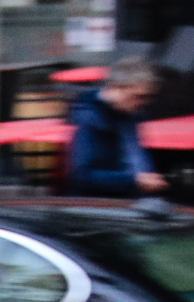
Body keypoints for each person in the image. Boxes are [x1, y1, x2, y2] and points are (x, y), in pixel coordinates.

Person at [67, 57, 166, 199]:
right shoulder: (88, 119)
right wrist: (134, 181)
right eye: (138, 97)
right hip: (104, 210)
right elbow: (82, 176)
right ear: (115, 87)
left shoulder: (130, 116)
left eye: (148, 97)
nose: (143, 103)